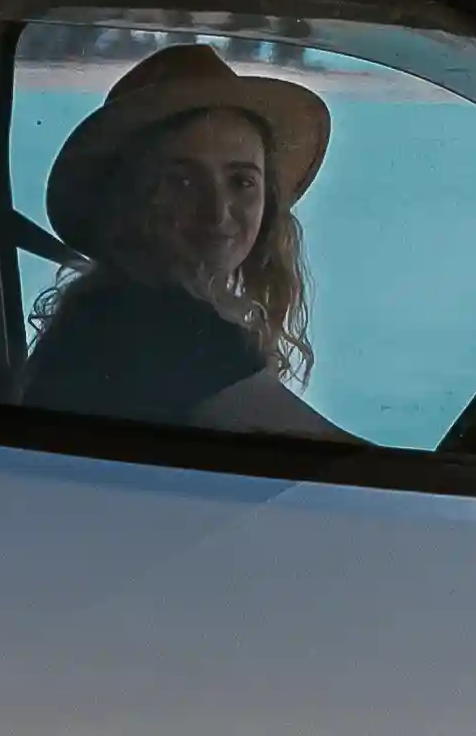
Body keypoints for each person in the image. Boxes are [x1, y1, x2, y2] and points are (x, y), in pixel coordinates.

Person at [24, 43, 350, 440]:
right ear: (128, 198)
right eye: (182, 181)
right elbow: (357, 473)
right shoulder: (159, 324)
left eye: (242, 181)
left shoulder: (103, 307)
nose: (217, 212)